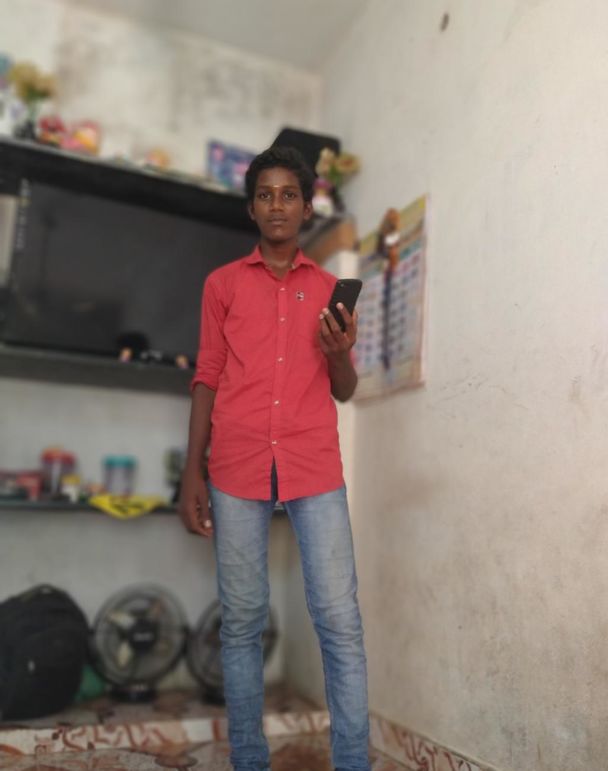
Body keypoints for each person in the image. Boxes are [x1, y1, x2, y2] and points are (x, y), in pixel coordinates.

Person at [179, 146, 370, 771]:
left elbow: (345, 389)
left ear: (307, 207)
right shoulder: (222, 285)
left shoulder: (328, 290)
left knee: (339, 619)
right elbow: (207, 375)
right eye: (265, 194)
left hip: (313, 465)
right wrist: (192, 472)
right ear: (252, 208)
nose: (277, 205)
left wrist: (338, 354)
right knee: (241, 621)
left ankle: (352, 762)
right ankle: (249, 761)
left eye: (289, 194)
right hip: (235, 463)